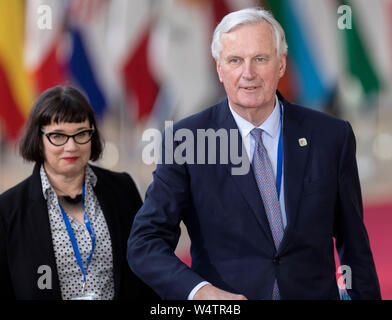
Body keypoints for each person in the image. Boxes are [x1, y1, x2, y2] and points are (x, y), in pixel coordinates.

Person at [127, 8, 381, 300]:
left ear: (282, 64)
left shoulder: (330, 136)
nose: (248, 73)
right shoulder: (187, 142)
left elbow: (355, 246)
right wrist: (201, 293)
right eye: (235, 60)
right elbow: (145, 243)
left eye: (260, 59)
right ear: (219, 68)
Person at [0, 86, 158, 300]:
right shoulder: (8, 209)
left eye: (81, 134)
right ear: (38, 139)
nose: (71, 146)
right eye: (58, 136)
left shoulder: (122, 189)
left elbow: (145, 267)